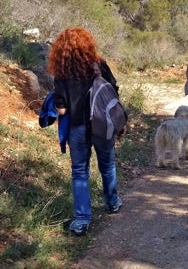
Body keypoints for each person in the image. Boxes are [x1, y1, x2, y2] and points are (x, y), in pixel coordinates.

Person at [47, 27, 124, 236]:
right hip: (102, 125)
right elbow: (114, 91)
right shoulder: (99, 65)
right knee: (107, 165)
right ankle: (112, 202)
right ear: (88, 45)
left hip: (77, 128)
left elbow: (61, 109)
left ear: (61, 49)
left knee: (80, 172)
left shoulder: (62, 74)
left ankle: (82, 219)